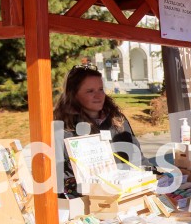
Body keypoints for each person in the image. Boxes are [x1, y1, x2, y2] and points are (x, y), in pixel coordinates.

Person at [54, 64, 147, 195]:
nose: (98, 96)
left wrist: (155, 175)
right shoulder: (63, 128)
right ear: (73, 95)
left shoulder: (117, 120)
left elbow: (138, 158)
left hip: (128, 193)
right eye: (90, 91)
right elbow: (58, 175)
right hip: (87, 199)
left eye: (101, 89)